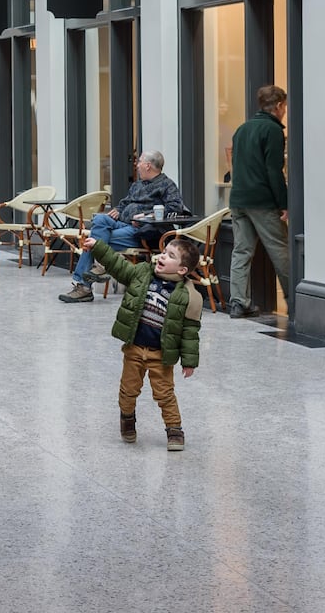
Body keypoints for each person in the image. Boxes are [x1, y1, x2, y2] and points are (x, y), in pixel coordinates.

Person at [80, 233, 202, 451]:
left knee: (165, 394)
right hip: (134, 349)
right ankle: (127, 420)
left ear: (182, 270)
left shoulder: (189, 296)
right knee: (128, 390)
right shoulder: (142, 274)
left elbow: (190, 330)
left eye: (170, 255)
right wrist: (98, 247)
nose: (162, 256)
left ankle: (174, 429)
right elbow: (118, 265)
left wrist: (189, 360)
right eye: (163, 252)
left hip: (161, 355)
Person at [59, 151, 186, 303]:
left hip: (142, 231)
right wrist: (119, 209)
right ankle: (99, 267)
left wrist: (147, 216)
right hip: (123, 223)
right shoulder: (137, 184)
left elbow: (175, 208)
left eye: (139, 162)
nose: (136, 165)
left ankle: (84, 286)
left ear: (148, 166)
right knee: (100, 218)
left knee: (93, 241)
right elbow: (125, 203)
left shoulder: (167, 184)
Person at [227, 85, 293, 319]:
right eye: (284, 106)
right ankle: (294, 301)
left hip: (238, 199)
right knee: (280, 249)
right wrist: (283, 203)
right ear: (278, 106)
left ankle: (238, 302)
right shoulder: (273, 131)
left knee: (241, 251)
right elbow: (274, 170)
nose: (285, 111)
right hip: (262, 200)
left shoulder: (242, 129)